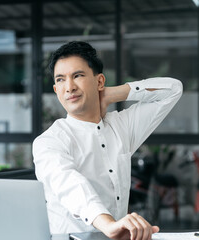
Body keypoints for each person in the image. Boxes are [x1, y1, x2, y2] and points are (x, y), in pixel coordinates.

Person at [33, 41, 183, 240]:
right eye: (60, 80)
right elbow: (70, 185)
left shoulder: (120, 126)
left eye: (77, 76)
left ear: (99, 81)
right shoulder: (49, 141)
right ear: (55, 89)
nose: (69, 87)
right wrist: (109, 225)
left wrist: (114, 93)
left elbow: (173, 89)